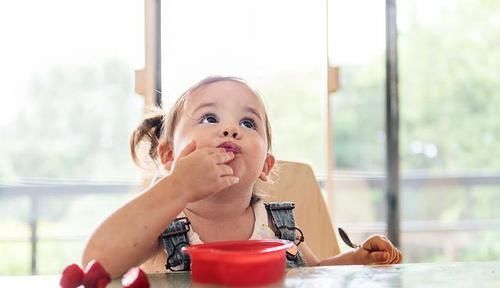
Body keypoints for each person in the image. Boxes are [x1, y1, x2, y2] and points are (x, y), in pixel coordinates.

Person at [82, 76, 402, 278]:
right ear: (169, 156)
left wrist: (357, 259)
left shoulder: (276, 225)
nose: (231, 129)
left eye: (248, 123)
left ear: (265, 164)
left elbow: (313, 275)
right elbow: (95, 264)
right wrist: (176, 186)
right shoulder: (162, 222)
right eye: (209, 118)